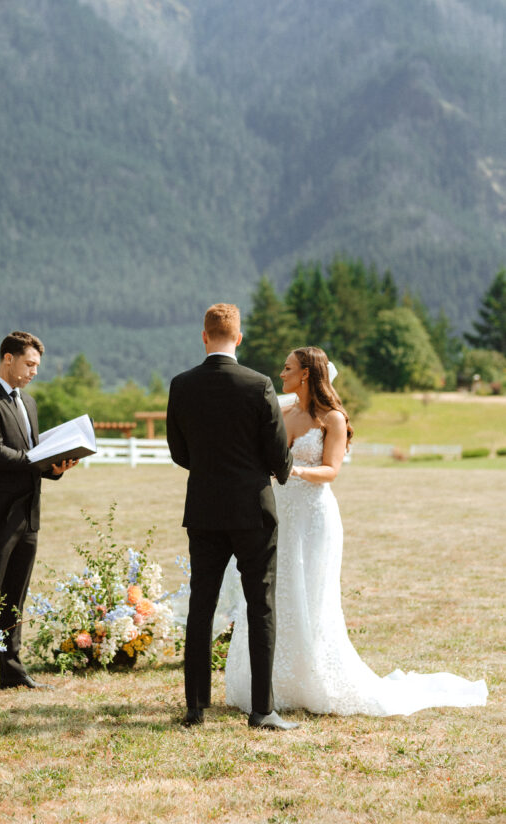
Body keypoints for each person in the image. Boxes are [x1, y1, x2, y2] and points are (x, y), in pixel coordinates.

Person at [225, 346, 488, 716]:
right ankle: (272, 683)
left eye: (287, 369)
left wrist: (292, 471)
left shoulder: (331, 418)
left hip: (314, 516)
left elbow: (331, 470)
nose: (280, 374)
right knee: (276, 590)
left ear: (305, 374)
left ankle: (313, 679)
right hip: (280, 514)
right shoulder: (282, 413)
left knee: (311, 595)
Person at [166, 303, 297, 729]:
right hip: (252, 510)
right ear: (238, 338)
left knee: (200, 606)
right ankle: (262, 710)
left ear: (204, 336)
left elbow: (179, 452)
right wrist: (274, 471)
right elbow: (279, 454)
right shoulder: (258, 385)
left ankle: (195, 707)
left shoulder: (181, 385)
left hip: (203, 509)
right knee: (260, 605)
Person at [0, 330, 78, 689]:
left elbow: (31, 457)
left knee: (16, 595)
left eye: (37, 366)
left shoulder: (28, 403)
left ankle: (11, 671)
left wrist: (55, 467)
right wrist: (36, 460)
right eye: (29, 364)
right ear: (7, 358)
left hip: (28, 515)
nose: (34, 372)